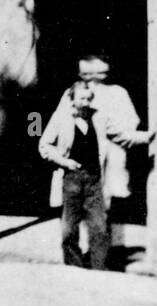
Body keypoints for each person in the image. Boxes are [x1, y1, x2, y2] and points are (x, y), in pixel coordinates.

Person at [40, 78, 150, 270]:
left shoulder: (99, 117)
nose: (86, 103)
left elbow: (122, 136)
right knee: (69, 229)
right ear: (72, 99)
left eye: (89, 99)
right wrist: (64, 161)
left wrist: (148, 137)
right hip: (71, 178)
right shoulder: (60, 118)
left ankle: (98, 268)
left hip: (94, 180)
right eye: (82, 98)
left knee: (99, 227)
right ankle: (73, 267)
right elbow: (44, 145)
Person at [76, 52, 147, 263]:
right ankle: (86, 252)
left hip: (109, 156)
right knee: (81, 205)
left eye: (95, 75)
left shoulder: (117, 93)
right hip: (82, 158)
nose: (90, 81)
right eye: (86, 75)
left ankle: (98, 255)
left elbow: (129, 124)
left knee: (101, 204)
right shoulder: (74, 93)